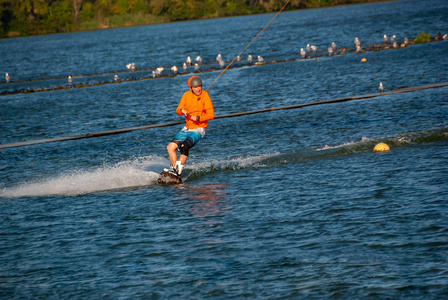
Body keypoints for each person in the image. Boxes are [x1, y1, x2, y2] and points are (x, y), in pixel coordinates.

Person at [164, 76, 214, 176]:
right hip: (187, 128)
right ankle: (175, 170)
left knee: (185, 146)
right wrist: (182, 111)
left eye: (200, 86)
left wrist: (199, 118)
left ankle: (177, 171)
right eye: (195, 87)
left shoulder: (205, 95)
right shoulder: (186, 95)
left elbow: (211, 115)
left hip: (199, 129)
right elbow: (178, 110)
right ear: (191, 88)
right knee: (170, 147)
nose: (198, 89)